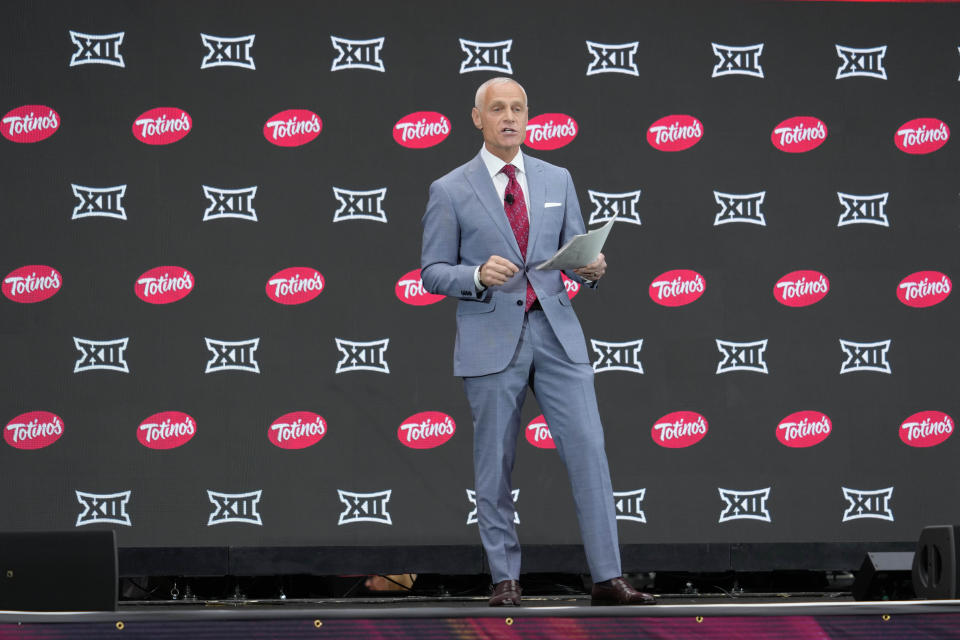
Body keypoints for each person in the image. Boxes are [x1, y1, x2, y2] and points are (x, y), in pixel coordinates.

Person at [419, 77, 654, 607]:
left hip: (558, 333)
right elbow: (431, 273)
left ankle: (607, 578)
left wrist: (593, 268)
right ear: (477, 118)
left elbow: (578, 250)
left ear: (529, 116)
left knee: (590, 452)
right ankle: (505, 580)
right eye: (497, 108)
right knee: (494, 462)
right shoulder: (450, 188)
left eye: (518, 108)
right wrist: (475, 274)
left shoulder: (557, 178)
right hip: (490, 337)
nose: (509, 117)